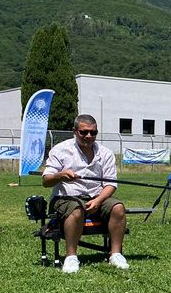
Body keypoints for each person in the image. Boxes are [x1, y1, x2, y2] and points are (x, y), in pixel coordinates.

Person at [41, 114, 128, 274]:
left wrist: (99, 200)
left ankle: (116, 254)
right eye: (84, 132)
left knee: (118, 207)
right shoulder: (60, 150)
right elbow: (46, 181)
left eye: (93, 132)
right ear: (75, 131)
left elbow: (110, 184)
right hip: (66, 197)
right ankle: (71, 257)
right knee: (76, 209)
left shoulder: (106, 153)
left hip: (97, 196)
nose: (89, 136)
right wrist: (60, 175)